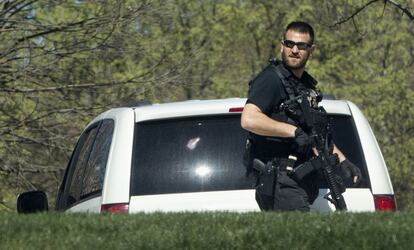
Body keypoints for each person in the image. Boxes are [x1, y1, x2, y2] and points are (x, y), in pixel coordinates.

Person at [241, 21, 362, 211]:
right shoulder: (271, 79)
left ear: (311, 49)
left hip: (301, 183)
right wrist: (293, 131)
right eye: (289, 44)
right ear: (282, 45)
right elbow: (249, 119)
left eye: (301, 46)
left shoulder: (304, 86)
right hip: (280, 183)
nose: (294, 50)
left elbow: (314, 135)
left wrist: (343, 160)